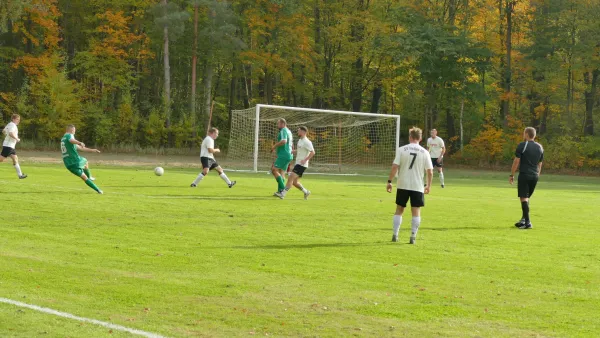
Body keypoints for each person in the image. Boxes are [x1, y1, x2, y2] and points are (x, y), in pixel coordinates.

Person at [387, 127, 433, 244]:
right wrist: (428, 185)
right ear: (420, 138)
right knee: (416, 211)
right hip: (417, 186)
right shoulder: (425, 152)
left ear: (410, 137)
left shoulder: (402, 150)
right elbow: (430, 171)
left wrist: (390, 181)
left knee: (399, 209)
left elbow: (394, 167)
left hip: (403, 184)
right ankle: (412, 237)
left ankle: (395, 234)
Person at [510, 127, 544, 229]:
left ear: (526, 134)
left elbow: (516, 161)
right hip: (535, 175)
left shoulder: (522, 145)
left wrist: (512, 175)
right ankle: (523, 219)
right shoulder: (540, 147)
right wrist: (537, 175)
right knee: (527, 197)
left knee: (523, 197)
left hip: (525, 174)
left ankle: (528, 222)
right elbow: (540, 163)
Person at [61, 125, 103, 194]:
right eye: (74, 130)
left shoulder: (64, 139)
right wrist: (79, 142)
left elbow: (81, 148)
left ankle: (98, 190)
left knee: (84, 177)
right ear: (71, 130)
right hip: (75, 160)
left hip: (68, 164)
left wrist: (93, 150)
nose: (74, 132)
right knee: (85, 161)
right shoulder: (69, 135)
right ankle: (90, 177)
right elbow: (72, 140)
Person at [276, 126, 314, 200]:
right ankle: (306, 192)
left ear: (303, 132)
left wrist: (305, 160)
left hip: (302, 165)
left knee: (290, 178)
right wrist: (294, 151)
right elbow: (301, 150)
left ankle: (282, 194)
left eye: (299, 131)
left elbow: (313, 152)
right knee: (295, 182)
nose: (298, 132)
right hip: (298, 164)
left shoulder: (307, 142)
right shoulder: (300, 140)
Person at [0, 114, 27, 179]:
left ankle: (20, 175)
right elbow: (10, 133)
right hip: (9, 146)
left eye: (19, 120)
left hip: (10, 145)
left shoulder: (9, 124)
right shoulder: (13, 125)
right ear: (13, 119)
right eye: (17, 119)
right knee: (1, 159)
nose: (19, 121)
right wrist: (16, 138)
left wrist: (8, 136)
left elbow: (4, 131)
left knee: (15, 159)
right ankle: (20, 175)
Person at [271, 118, 293, 195]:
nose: (278, 126)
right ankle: (280, 191)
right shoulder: (289, 131)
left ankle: (283, 190)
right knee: (282, 172)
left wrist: (274, 146)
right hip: (288, 154)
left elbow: (284, 141)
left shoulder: (283, 130)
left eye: (278, 124)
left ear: (283, 124)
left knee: (274, 170)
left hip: (284, 154)